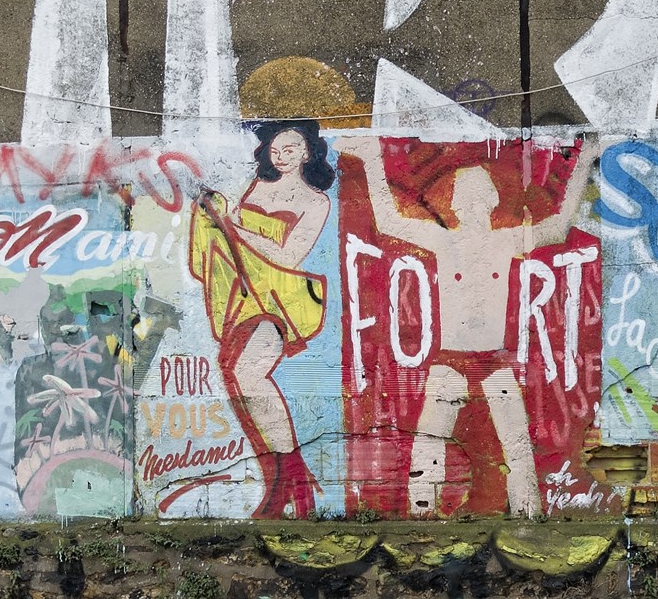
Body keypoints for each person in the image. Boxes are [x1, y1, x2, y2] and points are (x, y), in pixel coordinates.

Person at [340, 140, 594, 517]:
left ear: (492, 200)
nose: (472, 203)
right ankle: (422, 517)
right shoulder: (443, 241)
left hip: (494, 361)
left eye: (479, 195)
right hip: (451, 359)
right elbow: (389, 221)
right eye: (465, 195)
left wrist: (586, 159)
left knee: (517, 444)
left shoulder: (506, 240)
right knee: (429, 444)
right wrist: (372, 159)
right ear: (454, 202)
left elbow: (557, 229)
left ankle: (531, 514)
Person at [189, 120, 335, 519]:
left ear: (307, 152)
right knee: (235, 373)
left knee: (249, 373)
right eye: (276, 147)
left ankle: (283, 483)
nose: (281, 154)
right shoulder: (254, 186)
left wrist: (235, 226)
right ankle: (290, 482)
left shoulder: (316, 200)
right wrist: (213, 211)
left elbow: (288, 255)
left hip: (280, 298)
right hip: (240, 293)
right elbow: (226, 222)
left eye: (291, 147)